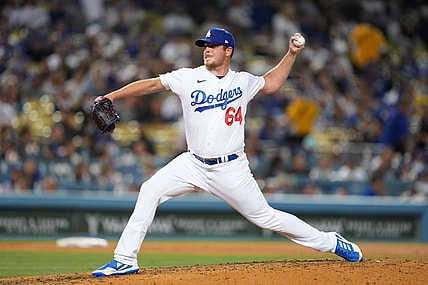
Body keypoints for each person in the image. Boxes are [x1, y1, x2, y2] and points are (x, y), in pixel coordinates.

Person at [92, 28, 363, 277]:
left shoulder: (242, 82)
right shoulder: (188, 77)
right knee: (150, 189)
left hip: (231, 168)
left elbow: (271, 83)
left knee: (266, 217)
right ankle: (125, 258)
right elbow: (152, 84)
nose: (207, 49)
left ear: (228, 51)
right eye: (205, 46)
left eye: (213, 45)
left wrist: (291, 54)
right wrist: (112, 97)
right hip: (192, 163)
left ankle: (330, 241)